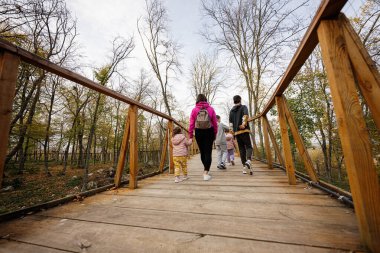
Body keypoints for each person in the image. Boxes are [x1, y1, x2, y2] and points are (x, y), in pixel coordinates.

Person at [189, 94, 218, 181]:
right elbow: (215, 123)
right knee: (208, 151)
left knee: (202, 152)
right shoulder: (211, 109)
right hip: (209, 131)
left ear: (197, 100)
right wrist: (215, 133)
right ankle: (206, 171)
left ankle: (205, 170)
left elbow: (191, 124)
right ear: (206, 100)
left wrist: (190, 135)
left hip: (198, 132)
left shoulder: (194, 110)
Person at [229, 95, 254, 175]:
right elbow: (245, 115)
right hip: (244, 130)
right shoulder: (243, 107)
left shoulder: (231, 111)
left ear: (234, 101)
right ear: (240, 100)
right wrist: (243, 124)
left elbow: (230, 124)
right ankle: (249, 160)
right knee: (249, 146)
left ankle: (244, 167)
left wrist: (232, 133)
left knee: (242, 149)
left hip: (237, 133)